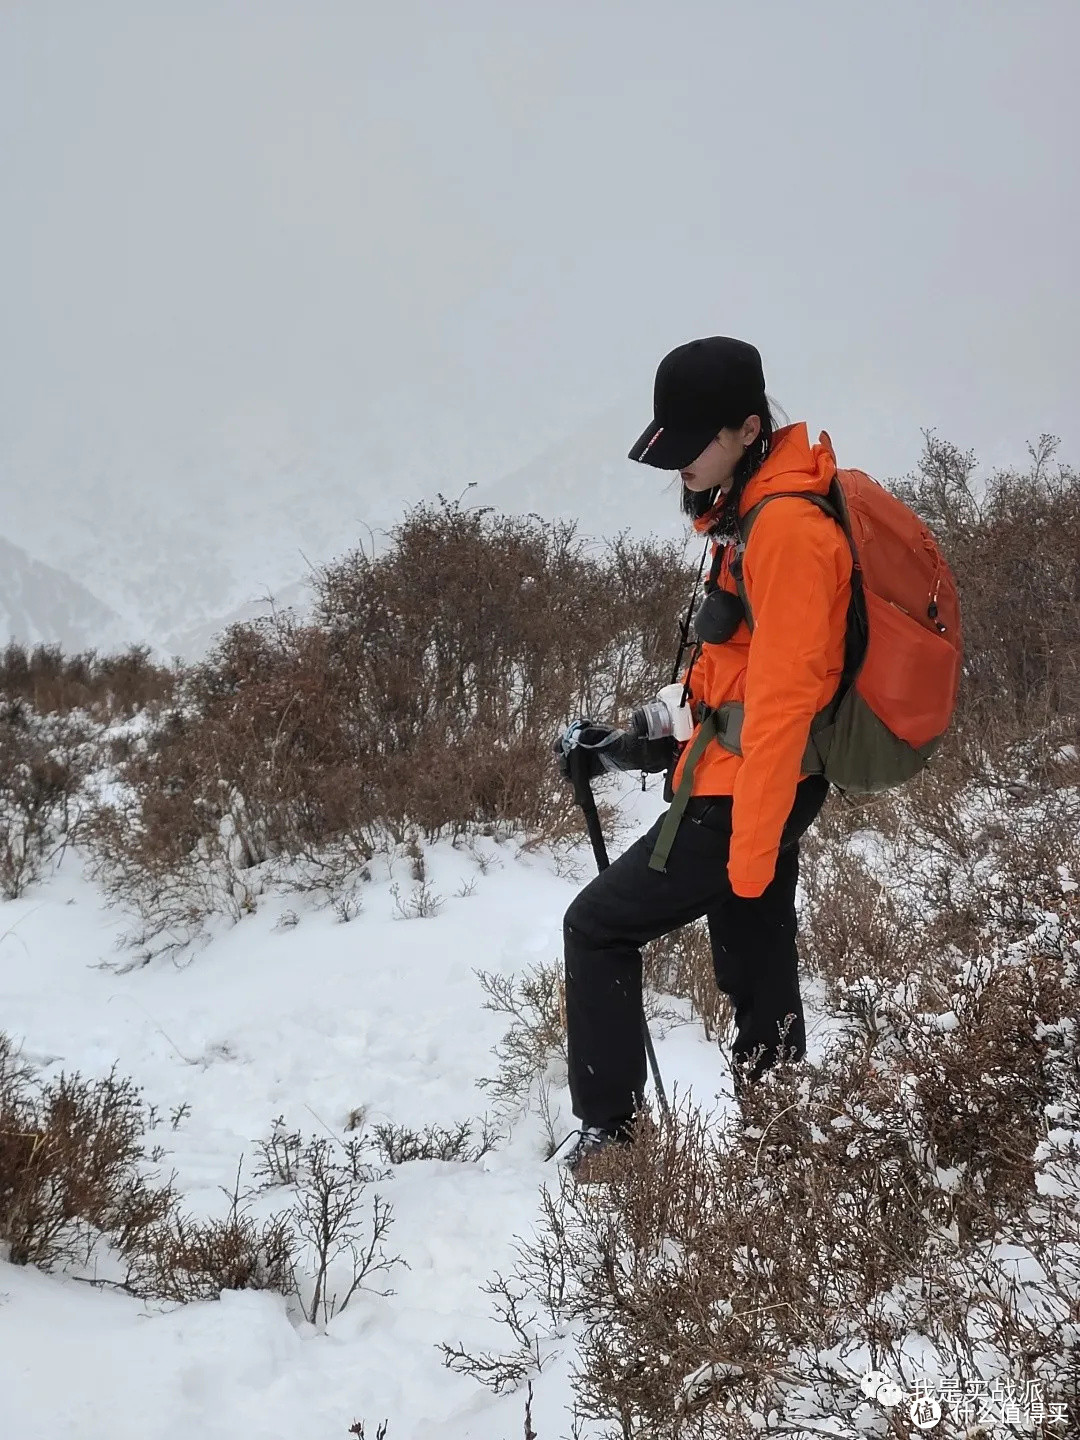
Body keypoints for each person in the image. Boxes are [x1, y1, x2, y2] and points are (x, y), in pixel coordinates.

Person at [556, 336, 853, 1181]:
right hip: (746, 784)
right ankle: (784, 1132)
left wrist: (750, 856)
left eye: (693, 443)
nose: (677, 462)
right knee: (757, 963)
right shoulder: (745, 511)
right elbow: (724, 684)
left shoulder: (787, 531)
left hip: (749, 794)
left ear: (749, 427)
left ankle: (613, 1139)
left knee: (597, 927)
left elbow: (785, 706)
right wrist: (627, 745)